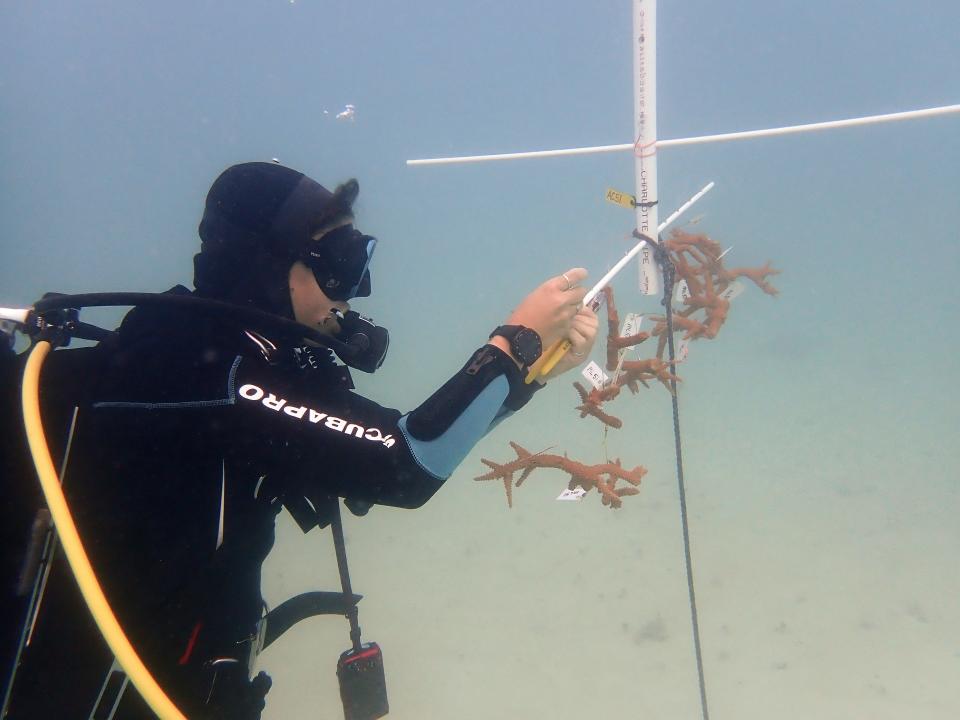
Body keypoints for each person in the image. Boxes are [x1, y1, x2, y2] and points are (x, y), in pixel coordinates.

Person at [1, 161, 597, 718]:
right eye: (336, 264)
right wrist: (511, 349)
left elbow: (381, 458)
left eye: (358, 261)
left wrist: (524, 377)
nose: (351, 291)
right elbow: (406, 465)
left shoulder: (241, 360)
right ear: (262, 264)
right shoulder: (202, 372)